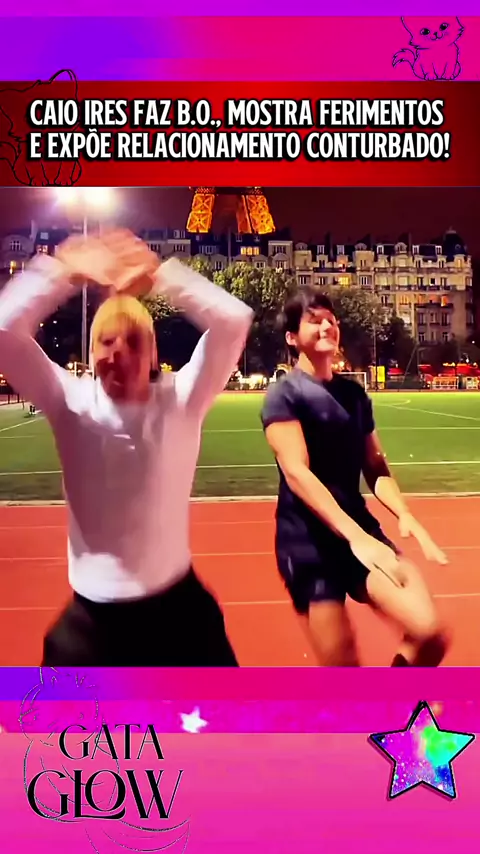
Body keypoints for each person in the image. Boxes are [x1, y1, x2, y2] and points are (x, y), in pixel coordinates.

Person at [0, 230, 253, 666]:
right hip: (92, 626)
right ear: (91, 353)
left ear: (154, 355)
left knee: (228, 712)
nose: (119, 352)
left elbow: (234, 321)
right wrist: (62, 270)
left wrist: (159, 275)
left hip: (181, 617)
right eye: (107, 341)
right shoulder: (70, 402)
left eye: (134, 340)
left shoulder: (182, 399)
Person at [261, 286, 449, 667]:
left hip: (360, 531)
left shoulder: (354, 394)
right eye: (315, 321)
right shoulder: (283, 395)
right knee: (344, 672)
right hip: (308, 543)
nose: (327, 326)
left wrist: (404, 513)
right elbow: (297, 472)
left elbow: (375, 467)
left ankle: (393, 698)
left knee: (429, 632)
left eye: (332, 320)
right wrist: (355, 537)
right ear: (292, 337)